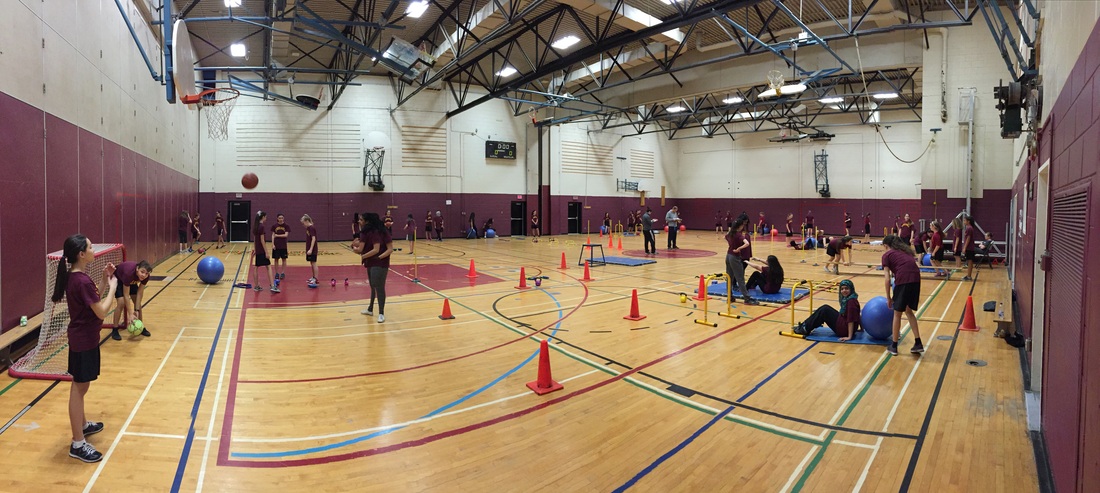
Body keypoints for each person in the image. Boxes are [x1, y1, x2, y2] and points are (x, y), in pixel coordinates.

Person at [54, 234, 117, 463]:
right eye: (91, 247)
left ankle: (82, 424)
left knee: (83, 385)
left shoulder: (79, 278)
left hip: (86, 339)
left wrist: (102, 278)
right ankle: (78, 443)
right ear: (81, 254)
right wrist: (113, 288)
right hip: (83, 341)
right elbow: (101, 311)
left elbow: (93, 301)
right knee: (78, 389)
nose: (94, 250)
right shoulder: (80, 280)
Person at [882, 235, 924, 355]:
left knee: (897, 313)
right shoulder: (905, 252)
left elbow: (887, 279)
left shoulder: (887, 255)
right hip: (916, 279)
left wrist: (888, 297)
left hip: (904, 280)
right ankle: (918, 343)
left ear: (886, 245)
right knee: (909, 311)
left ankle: (894, 346)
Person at [354, 213, 394, 322]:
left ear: (368, 221)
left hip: (380, 263)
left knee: (379, 287)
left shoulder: (383, 232)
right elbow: (364, 249)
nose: (359, 221)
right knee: (372, 286)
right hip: (370, 262)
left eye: (361, 219)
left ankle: (381, 313)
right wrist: (357, 249)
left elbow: (389, 249)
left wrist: (379, 257)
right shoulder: (368, 232)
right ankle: (370, 309)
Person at [792, 280, 861, 341]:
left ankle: (804, 328)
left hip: (843, 330)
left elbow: (850, 320)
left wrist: (849, 337)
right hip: (844, 324)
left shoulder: (850, 302)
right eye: (842, 289)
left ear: (851, 289)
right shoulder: (853, 298)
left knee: (824, 310)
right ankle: (805, 326)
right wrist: (861, 329)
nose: (844, 291)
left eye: (846, 288)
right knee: (823, 310)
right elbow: (858, 315)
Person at [109, 260, 153, 340]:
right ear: (137, 269)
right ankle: (115, 329)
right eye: (142, 272)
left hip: (132, 281)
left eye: (146, 273)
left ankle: (141, 327)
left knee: (138, 303)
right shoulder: (128, 273)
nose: (144, 275)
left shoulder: (145, 277)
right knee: (121, 302)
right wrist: (130, 314)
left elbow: (140, 292)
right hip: (119, 279)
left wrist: (136, 309)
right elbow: (126, 295)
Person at [725, 216, 759, 305]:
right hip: (735, 257)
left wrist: (732, 245)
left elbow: (726, 237)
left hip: (728, 255)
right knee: (740, 278)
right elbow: (747, 243)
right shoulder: (738, 234)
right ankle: (747, 299)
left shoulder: (730, 233)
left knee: (729, 277)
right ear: (740, 226)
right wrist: (739, 248)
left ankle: (729, 296)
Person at [252, 211, 278, 293]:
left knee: (256, 267)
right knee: (268, 266)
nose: (266, 218)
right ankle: (273, 286)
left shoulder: (256, 226)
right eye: (265, 217)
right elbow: (262, 240)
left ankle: (256, 286)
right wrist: (266, 252)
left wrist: (255, 249)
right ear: (262, 217)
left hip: (258, 250)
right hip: (262, 250)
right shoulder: (261, 226)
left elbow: (254, 239)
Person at [271, 213, 291, 280]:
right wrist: (273, 244)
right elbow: (273, 235)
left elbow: (286, 235)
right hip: (276, 245)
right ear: (277, 218)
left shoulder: (286, 226)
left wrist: (277, 235)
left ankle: (282, 273)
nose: (281, 219)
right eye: (279, 218)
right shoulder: (274, 226)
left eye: (282, 218)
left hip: (283, 245)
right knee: (276, 259)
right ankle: (276, 273)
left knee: (284, 259)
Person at [301, 214, 319, 286]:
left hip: (313, 249)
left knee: (314, 263)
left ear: (307, 221)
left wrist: (311, 249)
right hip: (309, 248)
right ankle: (313, 277)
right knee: (311, 263)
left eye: (303, 223)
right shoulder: (308, 228)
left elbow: (313, 239)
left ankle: (316, 279)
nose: (303, 225)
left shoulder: (311, 228)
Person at [961, 214, 977, 280]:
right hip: (970, 247)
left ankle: (969, 276)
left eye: (965, 220)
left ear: (968, 221)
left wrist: (964, 247)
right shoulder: (969, 228)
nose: (964, 222)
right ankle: (968, 275)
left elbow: (968, 238)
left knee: (970, 261)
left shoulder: (969, 228)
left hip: (969, 248)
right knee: (969, 261)